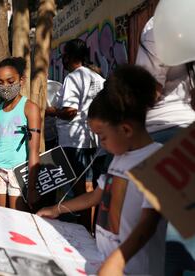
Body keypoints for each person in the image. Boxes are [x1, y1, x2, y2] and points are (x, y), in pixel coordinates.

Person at [38, 65, 167, 275]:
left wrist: (117, 262)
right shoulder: (119, 158)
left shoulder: (156, 159)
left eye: (102, 136)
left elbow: (148, 225)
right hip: (106, 263)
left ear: (125, 130)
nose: (100, 143)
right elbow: (97, 196)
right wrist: (57, 209)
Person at [135, 16, 195, 275]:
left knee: (162, 238)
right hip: (188, 133)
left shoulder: (162, 22)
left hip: (164, 134)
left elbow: (148, 90)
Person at [46, 38, 105, 231]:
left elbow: (70, 111)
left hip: (75, 142)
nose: (62, 60)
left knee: (83, 190)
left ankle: (86, 230)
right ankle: (92, 230)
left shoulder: (73, 77)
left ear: (70, 57)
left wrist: (49, 111)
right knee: (93, 187)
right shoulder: (97, 77)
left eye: (63, 56)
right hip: (96, 140)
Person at [0, 57, 41, 210]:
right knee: (0, 217)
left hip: (19, 172)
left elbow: (34, 150)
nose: (5, 87)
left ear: (21, 80)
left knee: (17, 219)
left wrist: (33, 187)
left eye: (10, 81)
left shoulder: (30, 108)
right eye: (0, 83)